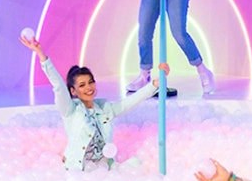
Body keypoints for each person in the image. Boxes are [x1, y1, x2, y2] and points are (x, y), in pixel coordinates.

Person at [21, 34, 168, 170]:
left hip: (103, 168)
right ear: (73, 91)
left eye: (91, 82)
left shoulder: (105, 108)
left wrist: (154, 84)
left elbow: (129, 102)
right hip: (79, 169)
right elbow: (59, 86)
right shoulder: (70, 110)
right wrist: (42, 56)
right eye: (82, 85)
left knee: (137, 164)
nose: (89, 88)